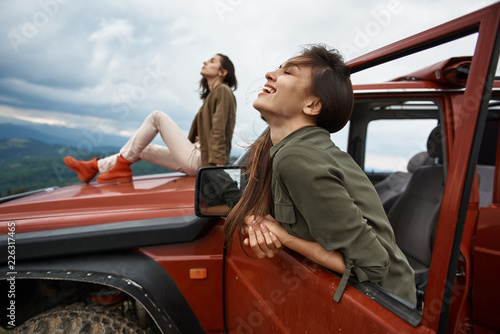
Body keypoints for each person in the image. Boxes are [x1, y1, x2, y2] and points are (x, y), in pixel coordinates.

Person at [223, 45, 416, 305]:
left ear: (312, 105)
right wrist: (256, 221)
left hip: (387, 304)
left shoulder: (297, 158)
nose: (270, 74)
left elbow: (373, 266)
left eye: (287, 73)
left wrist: (285, 237)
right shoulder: (287, 151)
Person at [64, 54, 237, 183]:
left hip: (204, 162)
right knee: (143, 149)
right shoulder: (212, 96)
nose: (205, 62)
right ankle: (93, 168)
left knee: (157, 117)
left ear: (222, 72)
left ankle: (121, 166)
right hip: (196, 158)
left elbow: (219, 130)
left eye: (212, 61)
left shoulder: (223, 91)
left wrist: (217, 168)